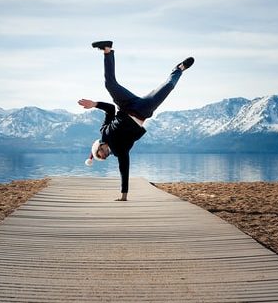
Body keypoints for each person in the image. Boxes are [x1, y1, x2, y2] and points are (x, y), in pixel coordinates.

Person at [79, 40, 194, 201]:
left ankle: (107, 50)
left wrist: (95, 104)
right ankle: (179, 69)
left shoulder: (103, 131)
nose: (103, 157)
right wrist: (124, 196)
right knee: (167, 88)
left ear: (99, 147)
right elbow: (124, 170)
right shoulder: (120, 152)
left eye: (99, 155)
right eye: (102, 158)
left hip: (126, 104)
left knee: (110, 84)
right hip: (143, 110)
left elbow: (111, 109)